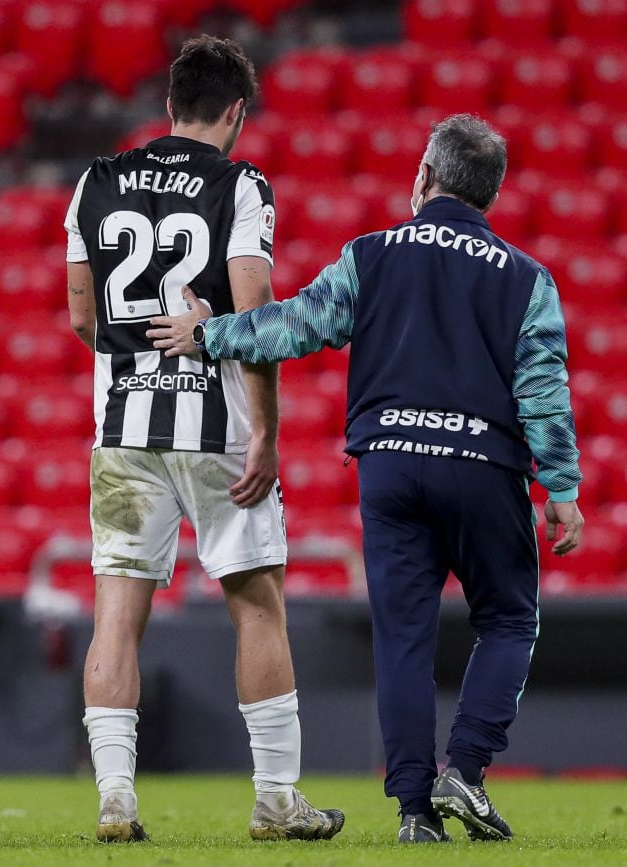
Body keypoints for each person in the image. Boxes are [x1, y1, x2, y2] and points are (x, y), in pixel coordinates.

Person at [148, 114, 584, 844]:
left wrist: (210, 332)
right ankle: (466, 772)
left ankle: (415, 810)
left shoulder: (371, 255)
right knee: (509, 619)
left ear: (423, 177)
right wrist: (561, 487)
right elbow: (544, 387)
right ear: (491, 196)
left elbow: (296, 326)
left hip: (391, 467)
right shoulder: (525, 278)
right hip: (483, 466)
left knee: (404, 636)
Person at [64, 35, 345, 843]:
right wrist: (267, 431)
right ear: (236, 114)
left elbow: (83, 317)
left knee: (116, 613)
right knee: (257, 604)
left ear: (167, 108)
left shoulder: (96, 179)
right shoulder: (241, 183)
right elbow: (252, 315)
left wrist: (135, 364)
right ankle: (276, 798)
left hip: (122, 430)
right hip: (217, 427)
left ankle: (116, 799)